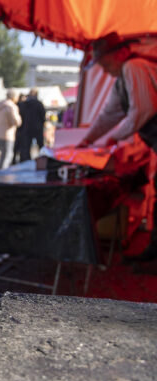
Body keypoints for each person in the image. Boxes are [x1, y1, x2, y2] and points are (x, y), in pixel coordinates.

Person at [76, 33, 157, 261]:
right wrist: (88, 140)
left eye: (105, 63)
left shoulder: (134, 67)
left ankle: (154, 255)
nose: (104, 69)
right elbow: (108, 115)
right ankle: (153, 253)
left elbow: (143, 110)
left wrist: (113, 139)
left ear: (121, 53)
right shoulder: (123, 79)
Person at [0, 89, 22, 169]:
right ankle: (3, 172)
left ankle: (0, 171)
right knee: (8, 155)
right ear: (14, 97)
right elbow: (15, 121)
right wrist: (19, 120)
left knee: (3, 155)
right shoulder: (11, 106)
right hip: (8, 134)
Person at [16, 88, 46, 161]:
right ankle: (43, 161)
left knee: (26, 147)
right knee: (41, 146)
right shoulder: (39, 104)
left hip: (26, 128)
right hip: (37, 128)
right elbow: (43, 116)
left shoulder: (24, 104)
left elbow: (21, 115)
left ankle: (25, 161)